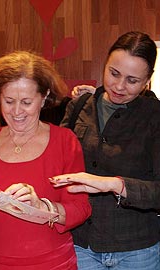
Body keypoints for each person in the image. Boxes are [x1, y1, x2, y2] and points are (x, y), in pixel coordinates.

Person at [0, 51, 92, 269]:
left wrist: (40, 206)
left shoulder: (64, 142)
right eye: (9, 101)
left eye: (26, 102)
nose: (16, 112)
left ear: (44, 98)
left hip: (51, 263)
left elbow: (80, 209)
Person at [50, 31, 160, 269]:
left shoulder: (154, 116)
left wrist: (114, 184)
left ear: (147, 79)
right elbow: (57, 162)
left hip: (137, 248)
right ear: (105, 63)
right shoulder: (80, 106)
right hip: (82, 242)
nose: (119, 86)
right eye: (114, 73)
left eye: (132, 80)